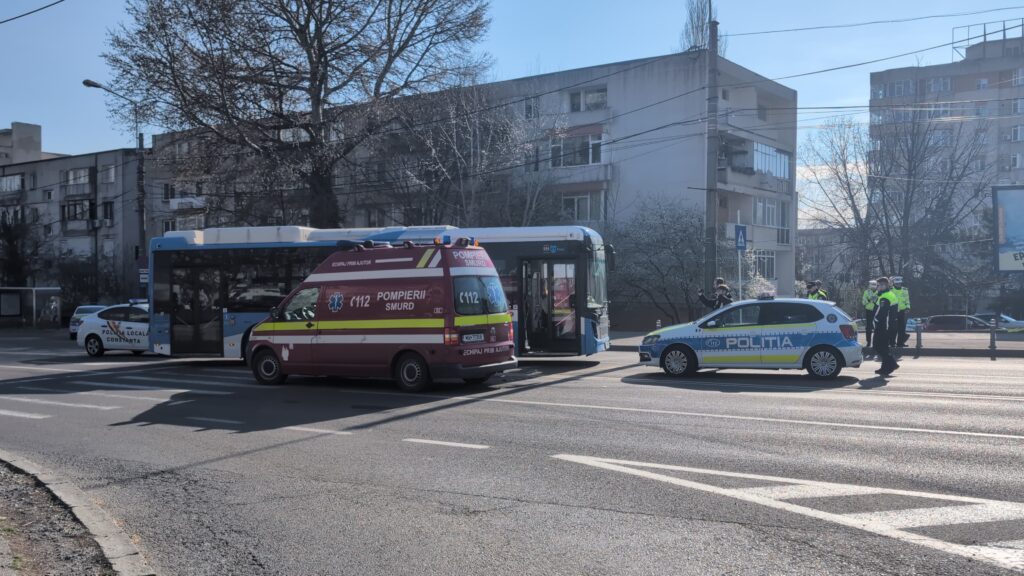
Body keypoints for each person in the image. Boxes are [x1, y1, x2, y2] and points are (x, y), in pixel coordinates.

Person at [873, 276, 900, 376]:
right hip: (888, 326)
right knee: (884, 347)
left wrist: (875, 321)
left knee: (877, 346)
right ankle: (885, 368)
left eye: (878, 285)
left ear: (884, 286)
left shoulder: (885, 297)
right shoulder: (888, 294)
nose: (877, 287)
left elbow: (882, 314)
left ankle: (892, 364)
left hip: (883, 326)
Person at [891, 276, 911, 347]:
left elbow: (907, 300)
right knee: (894, 328)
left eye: (899, 283)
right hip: (893, 311)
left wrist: (908, 308)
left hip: (902, 311)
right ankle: (892, 343)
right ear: (894, 283)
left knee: (902, 328)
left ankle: (900, 343)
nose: (898, 284)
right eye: (897, 283)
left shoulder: (905, 290)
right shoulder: (891, 290)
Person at [862, 280, 878, 349]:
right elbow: (863, 302)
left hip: (877, 311)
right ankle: (868, 342)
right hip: (869, 311)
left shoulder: (879, 292)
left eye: (874, 284)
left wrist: (875, 301)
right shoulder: (866, 292)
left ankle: (876, 342)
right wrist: (869, 300)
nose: (873, 286)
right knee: (868, 328)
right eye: (872, 284)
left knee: (877, 327)